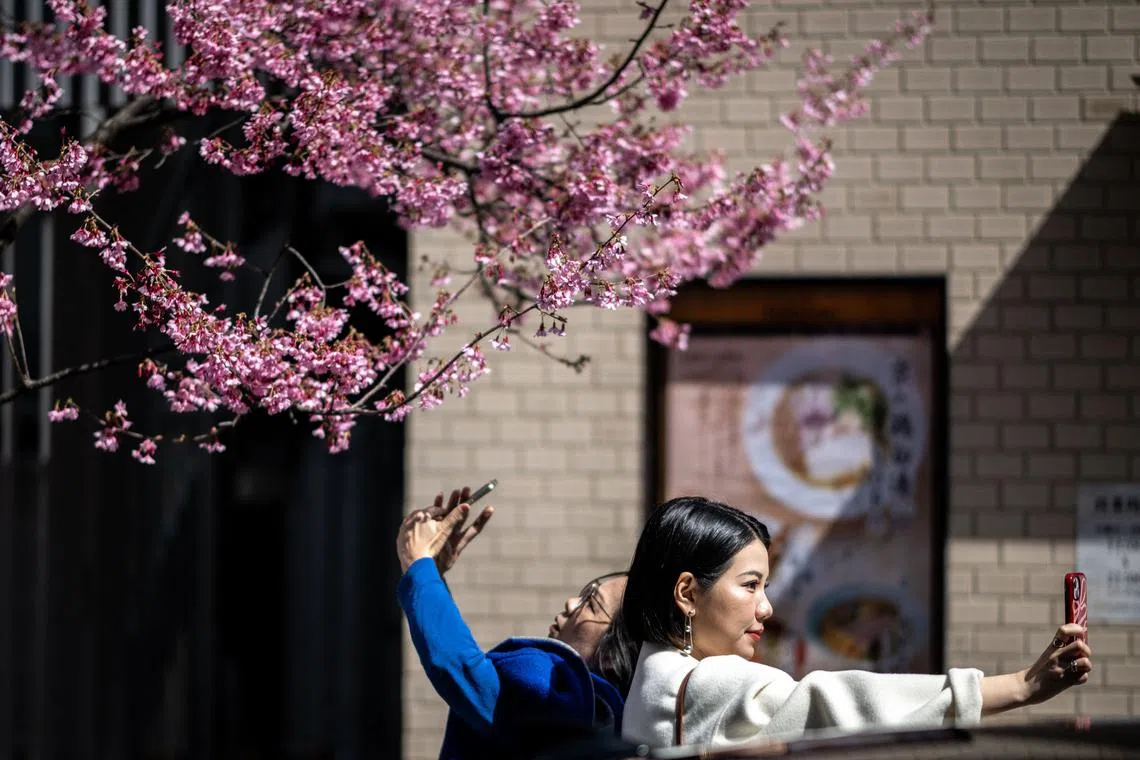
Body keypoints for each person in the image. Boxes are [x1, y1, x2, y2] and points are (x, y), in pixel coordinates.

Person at [594, 496, 1093, 748]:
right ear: (687, 592)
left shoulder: (652, 672)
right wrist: (1024, 686)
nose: (766, 608)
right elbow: (843, 702)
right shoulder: (715, 685)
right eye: (750, 585)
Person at [397, 486, 629, 760]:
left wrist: (419, 566)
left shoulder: (560, 697)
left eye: (590, 603)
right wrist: (431, 573)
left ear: (612, 655)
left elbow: (464, 670)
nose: (570, 603)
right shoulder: (600, 710)